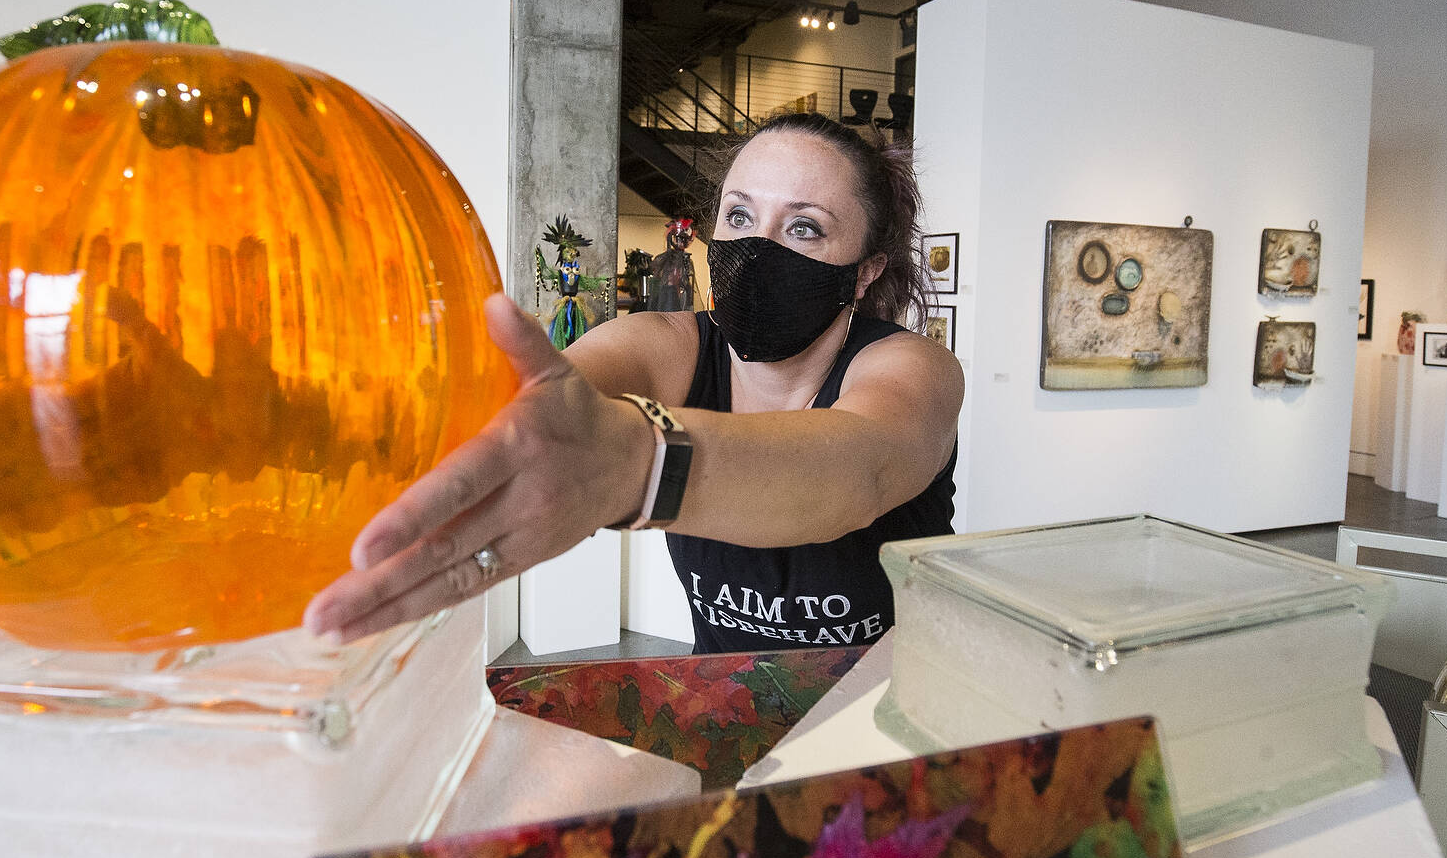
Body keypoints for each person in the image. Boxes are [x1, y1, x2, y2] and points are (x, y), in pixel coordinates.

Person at [303, 113, 964, 653]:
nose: (759, 247)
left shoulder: (912, 369)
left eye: (803, 227)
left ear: (866, 270)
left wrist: (633, 467)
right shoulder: (667, 346)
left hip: (898, 729)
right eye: (739, 217)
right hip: (732, 720)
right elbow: (556, 405)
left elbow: (855, 474)